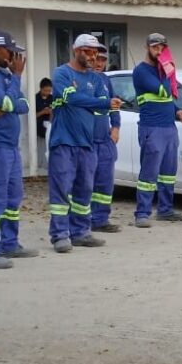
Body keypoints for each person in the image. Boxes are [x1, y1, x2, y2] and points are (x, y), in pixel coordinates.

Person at [48, 34, 115, 252]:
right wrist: (99, 102)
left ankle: (80, 232)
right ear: (76, 50)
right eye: (87, 51)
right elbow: (72, 98)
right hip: (64, 141)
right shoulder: (62, 73)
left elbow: (101, 104)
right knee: (61, 189)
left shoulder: (96, 79)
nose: (92, 56)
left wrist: (101, 103)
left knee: (84, 189)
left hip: (87, 143)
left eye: (95, 52)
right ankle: (60, 235)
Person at [0, 31, 37, 269]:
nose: (15, 58)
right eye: (10, 52)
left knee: (13, 197)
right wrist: (15, 80)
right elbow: (7, 102)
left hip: (11, 147)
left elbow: (24, 105)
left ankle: (10, 243)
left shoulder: (6, 75)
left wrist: (7, 105)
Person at [132, 33, 182, 228]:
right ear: (147, 48)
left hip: (169, 128)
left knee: (168, 173)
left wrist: (177, 111)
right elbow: (163, 90)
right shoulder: (141, 71)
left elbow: (167, 99)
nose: (159, 52)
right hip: (152, 128)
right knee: (149, 173)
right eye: (155, 48)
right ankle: (142, 214)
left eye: (162, 49)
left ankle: (165, 210)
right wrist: (168, 68)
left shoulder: (162, 70)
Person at [90, 48, 122, 233]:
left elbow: (114, 105)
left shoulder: (105, 80)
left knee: (105, 182)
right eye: (97, 59)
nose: (99, 63)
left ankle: (101, 220)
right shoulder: (81, 79)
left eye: (103, 60)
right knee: (85, 183)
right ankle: (80, 222)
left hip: (104, 140)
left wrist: (116, 127)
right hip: (86, 140)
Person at [35, 78, 54, 167]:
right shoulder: (35, 98)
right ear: (41, 89)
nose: (47, 93)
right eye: (45, 90)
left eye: (49, 91)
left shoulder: (52, 98)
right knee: (40, 150)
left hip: (50, 127)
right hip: (38, 129)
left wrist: (51, 112)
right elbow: (32, 116)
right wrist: (43, 112)